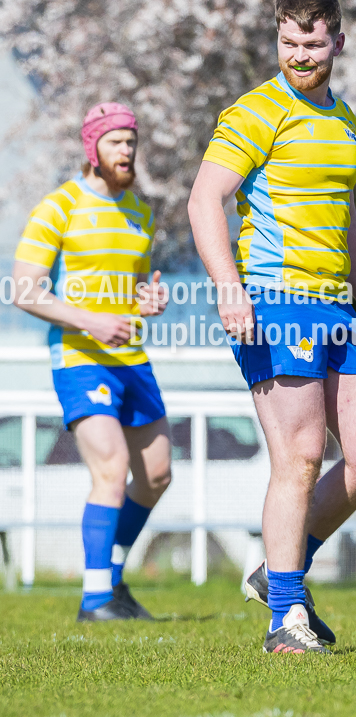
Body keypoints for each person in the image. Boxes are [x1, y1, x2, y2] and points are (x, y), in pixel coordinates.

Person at [189, 0, 356, 654]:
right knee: (301, 456)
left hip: (336, 304)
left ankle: (277, 568)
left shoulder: (345, 121)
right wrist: (228, 287)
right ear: (276, 38)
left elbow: (348, 217)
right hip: (272, 300)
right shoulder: (254, 112)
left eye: (312, 44)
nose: (300, 56)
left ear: (337, 40)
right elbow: (204, 201)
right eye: (288, 43)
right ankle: (286, 618)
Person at [13, 102, 171, 621]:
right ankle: (96, 597)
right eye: (115, 141)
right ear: (92, 148)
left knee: (157, 475)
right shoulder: (58, 207)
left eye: (131, 140)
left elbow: (136, 286)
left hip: (133, 360)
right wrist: (91, 321)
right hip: (80, 358)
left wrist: (145, 302)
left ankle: (114, 577)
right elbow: (24, 291)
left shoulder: (140, 212)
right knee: (112, 467)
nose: (126, 150)